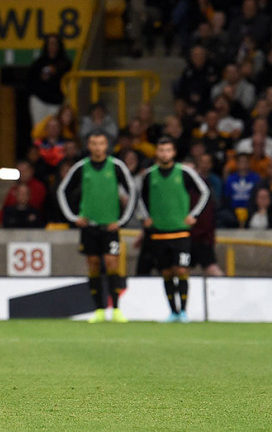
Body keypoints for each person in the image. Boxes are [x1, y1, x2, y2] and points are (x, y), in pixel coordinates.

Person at [57, 130, 137, 323]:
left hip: (110, 227)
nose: (97, 147)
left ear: (106, 146)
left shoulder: (116, 166)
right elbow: (62, 190)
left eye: (101, 143)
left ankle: (116, 308)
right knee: (93, 265)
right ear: (88, 146)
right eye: (94, 143)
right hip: (89, 226)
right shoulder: (81, 167)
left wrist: (122, 221)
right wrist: (73, 217)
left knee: (111, 263)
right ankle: (99, 309)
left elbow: (133, 191)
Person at [137, 137, 210, 323]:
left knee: (182, 269)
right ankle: (173, 311)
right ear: (156, 153)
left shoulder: (184, 172)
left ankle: (184, 311)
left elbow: (204, 191)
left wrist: (194, 214)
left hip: (181, 231)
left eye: (168, 150)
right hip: (159, 231)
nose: (164, 154)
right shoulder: (149, 175)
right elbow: (140, 197)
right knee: (166, 272)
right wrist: (145, 217)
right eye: (161, 150)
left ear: (174, 152)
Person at [27, 34, 71, 128]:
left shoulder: (65, 63)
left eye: (54, 43)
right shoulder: (39, 63)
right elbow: (31, 80)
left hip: (56, 102)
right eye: (50, 44)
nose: (52, 46)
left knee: (55, 127)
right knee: (39, 128)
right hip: (40, 101)